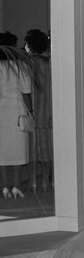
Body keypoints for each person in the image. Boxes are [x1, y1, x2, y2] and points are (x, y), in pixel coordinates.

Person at [0, 31, 32, 199]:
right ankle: (16, 186)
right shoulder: (21, 66)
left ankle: (5, 187)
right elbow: (27, 92)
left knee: (2, 151)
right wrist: (31, 110)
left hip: (1, 111)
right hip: (17, 110)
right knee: (19, 150)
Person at [24, 29, 53, 192]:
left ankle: (33, 181)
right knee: (46, 149)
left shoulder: (25, 64)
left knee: (31, 150)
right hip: (47, 110)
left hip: (30, 111)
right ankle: (45, 182)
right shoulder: (49, 64)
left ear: (29, 45)